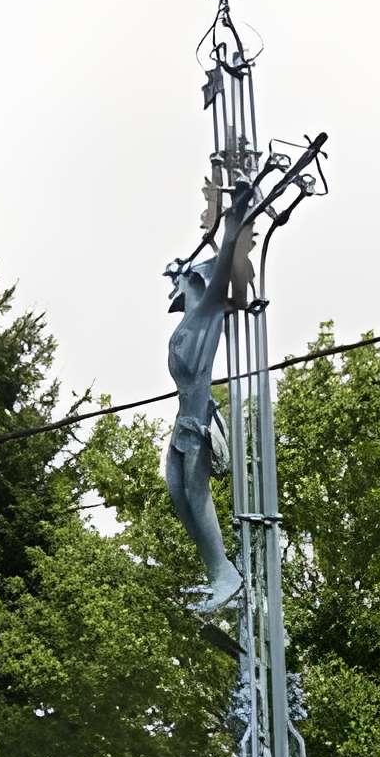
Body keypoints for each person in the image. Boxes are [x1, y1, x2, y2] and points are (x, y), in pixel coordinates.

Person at [163, 175, 259, 614]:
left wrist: (234, 212)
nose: (172, 283)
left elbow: (224, 260)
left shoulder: (204, 310)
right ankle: (216, 573)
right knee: (178, 494)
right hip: (182, 420)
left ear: (192, 281)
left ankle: (225, 575)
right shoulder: (186, 321)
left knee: (196, 494)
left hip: (197, 418)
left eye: (178, 277)